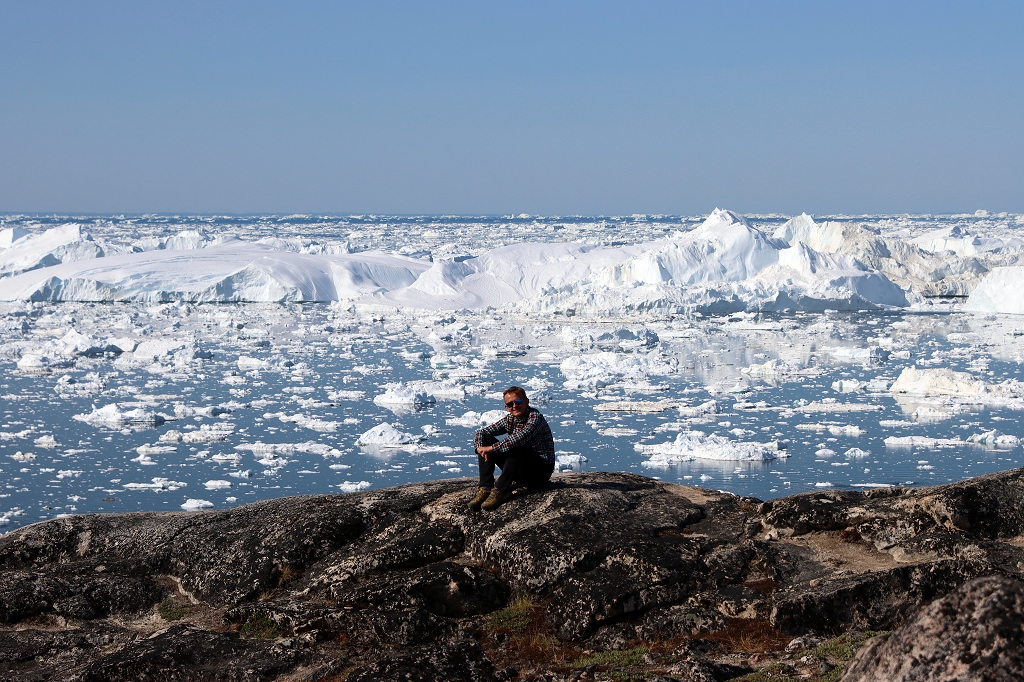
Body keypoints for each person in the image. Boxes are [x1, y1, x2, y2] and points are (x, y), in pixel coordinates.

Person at [469, 386, 555, 511]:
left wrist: (492, 449)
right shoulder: (510, 419)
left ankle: (500, 489)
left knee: (517, 444)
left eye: (518, 402)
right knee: (487, 438)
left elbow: (519, 438)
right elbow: (481, 433)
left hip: (539, 473)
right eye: (510, 404)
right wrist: (479, 449)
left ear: (526, 401)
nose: (514, 406)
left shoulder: (535, 418)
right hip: (520, 471)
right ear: (506, 407)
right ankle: (485, 488)